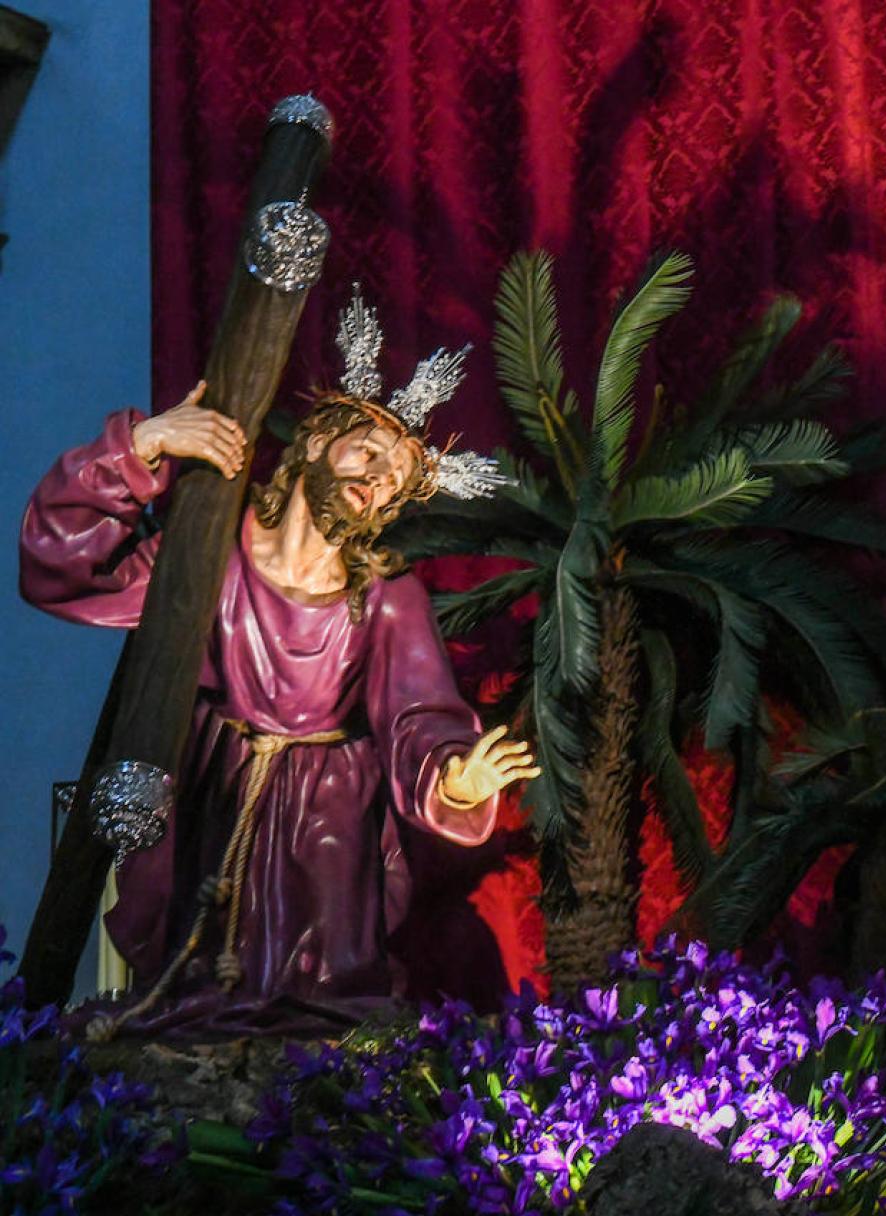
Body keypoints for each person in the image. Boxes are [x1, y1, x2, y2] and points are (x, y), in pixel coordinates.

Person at [19, 291, 536, 1035]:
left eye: (396, 476)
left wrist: (454, 778)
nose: (379, 478)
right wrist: (144, 447)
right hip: (209, 803)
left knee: (314, 1022)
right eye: (370, 451)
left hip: (328, 838)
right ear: (319, 440)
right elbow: (62, 564)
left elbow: (419, 715)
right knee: (186, 1007)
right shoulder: (208, 554)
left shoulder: (385, 597)